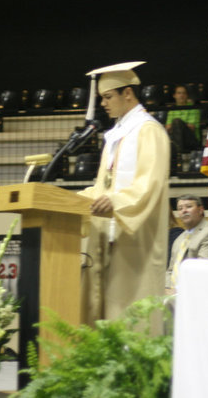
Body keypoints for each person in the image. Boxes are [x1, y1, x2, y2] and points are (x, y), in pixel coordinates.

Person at [78, 62, 170, 333]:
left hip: (134, 238)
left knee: (129, 312)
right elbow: (102, 186)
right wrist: (72, 200)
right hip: (107, 236)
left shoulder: (149, 130)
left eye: (108, 97)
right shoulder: (116, 136)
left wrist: (117, 202)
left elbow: (149, 184)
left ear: (127, 93)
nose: (104, 104)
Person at [166, 194, 208, 292]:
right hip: (173, 294)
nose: (184, 211)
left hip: (197, 292)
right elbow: (170, 270)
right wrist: (167, 288)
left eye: (188, 207)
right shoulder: (179, 239)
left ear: (201, 210)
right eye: (180, 208)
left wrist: (178, 290)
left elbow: (204, 270)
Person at [166, 84, 201, 154]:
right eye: (179, 93)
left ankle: (178, 153)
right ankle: (178, 151)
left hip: (191, 139)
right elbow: (167, 128)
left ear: (187, 95)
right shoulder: (171, 110)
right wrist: (182, 124)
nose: (181, 95)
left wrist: (177, 124)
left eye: (183, 93)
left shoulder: (194, 108)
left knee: (176, 122)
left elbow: (192, 127)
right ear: (174, 95)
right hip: (176, 138)